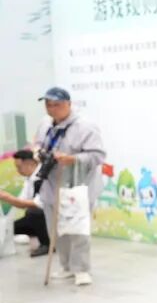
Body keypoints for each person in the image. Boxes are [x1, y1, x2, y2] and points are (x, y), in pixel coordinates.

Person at [31, 87, 106, 287]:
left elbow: (98, 155)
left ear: (69, 104)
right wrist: (37, 151)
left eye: (56, 105)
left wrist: (73, 158)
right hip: (51, 185)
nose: (51, 109)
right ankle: (66, 266)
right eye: (48, 105)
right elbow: (37, 143)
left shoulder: (85, 126)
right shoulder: (45, 123)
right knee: (56, 229)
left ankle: (81, 269)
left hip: (77, 186)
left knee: (78, 229)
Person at [0, 149, 50, 256]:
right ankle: (38, 234)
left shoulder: (43, 177)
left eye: (19, 167)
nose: (18, 171)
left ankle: (47, 244)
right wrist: (6, 198)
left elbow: (38, 204)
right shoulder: (29, 180)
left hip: (50, 215)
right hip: (37, 217)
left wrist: (7, 197)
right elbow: (22, 201)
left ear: (29, 163)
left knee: (34, 212)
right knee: (10, 228)